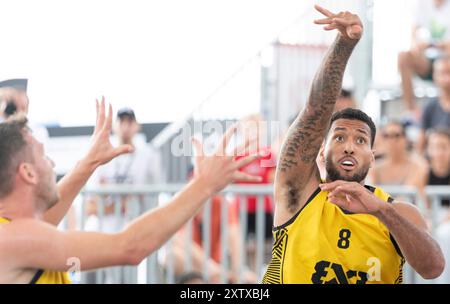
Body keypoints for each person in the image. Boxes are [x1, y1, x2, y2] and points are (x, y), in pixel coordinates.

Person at [262, 5, 445, 284]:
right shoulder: (298, 194)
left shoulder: (397, 212)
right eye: (338, 137)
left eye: (360, 140)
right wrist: (344, 44)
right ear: (321, 151)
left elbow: (433, 268)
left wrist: (380, 211)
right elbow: (314, 111)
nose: (349, 146)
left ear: (372, 157)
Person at [0, 99, 261, 284]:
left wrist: (89, 163)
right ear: (28, 173)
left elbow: (46, 217)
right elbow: (130, 247)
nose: (53, 164)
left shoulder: (16, 229)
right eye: (44, 157)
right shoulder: (17, 238)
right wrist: (205, 184)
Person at [84, 107, 165, 233]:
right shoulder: (102, 155)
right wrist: (120, 206)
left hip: (134, 230)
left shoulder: (148, 155)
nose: (125, 127)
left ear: (137, 126)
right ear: (114, 126)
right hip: (104, 231)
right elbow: (89, 206)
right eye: (121, 122)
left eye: (130, 122)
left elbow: (156, 191)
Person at [398, 0, 450, 117]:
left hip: (447, 57)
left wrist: (444, 45)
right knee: (403, 57)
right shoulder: (421, 5)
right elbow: (413, 39)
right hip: (428, 61)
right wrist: (419, 46)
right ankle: (411, 110)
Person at [368, 121, 426, 187]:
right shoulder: (375, 168)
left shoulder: (417, 166)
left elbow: (407, 193)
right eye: (386, 136)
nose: (392, 140)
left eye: (397, 135)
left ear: (405, 139)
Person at [416, 56, 450, 153]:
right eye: (443, 73)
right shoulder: (430, 107)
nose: (447, 78)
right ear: (435, 76)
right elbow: (420, 145)